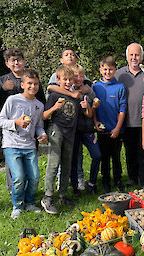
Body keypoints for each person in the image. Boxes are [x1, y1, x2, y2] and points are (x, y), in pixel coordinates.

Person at [0, 48, 46, 192]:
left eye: (19, 59)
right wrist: (2, 90)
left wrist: (42, 130)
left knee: (29, 164)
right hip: (10, 131)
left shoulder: (32, 80)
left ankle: (28, 191)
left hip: (30, 130)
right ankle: (13, 192)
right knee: (13, 166)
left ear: (24, 62)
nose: (16, 63)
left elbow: (41, 106)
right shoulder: (1, 80)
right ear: (7, 64)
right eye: (12, 60)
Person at [0, 69, 48, 219]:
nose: (33, 86)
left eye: (36, 84)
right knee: (18, 177)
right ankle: (17, 205)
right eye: (30, 83)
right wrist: (16, 122)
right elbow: (0, 121)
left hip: (29, 145)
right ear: (23, 85)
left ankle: (30, 202)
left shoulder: (39, 105)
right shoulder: (12, 100)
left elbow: (38, 125)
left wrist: (42, 135)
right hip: (12, 144)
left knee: (34, 177)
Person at [41, 65, 90, 213]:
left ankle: (63, 194)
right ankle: (48, 196)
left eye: (70, 79)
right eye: (64, 79)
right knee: (53, 164)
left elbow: (85, 113)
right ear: (58, 80)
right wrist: (54, 108)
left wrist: (87, 106)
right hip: (56, 131)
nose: (68, 82)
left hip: (71, 133)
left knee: (67, 165)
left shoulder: (75, 96)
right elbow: (43, 116)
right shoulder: (55, 96)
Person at [115, 43, 144, 189]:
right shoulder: (120, 74)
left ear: (141, 56)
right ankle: (132, 178)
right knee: (130, 152)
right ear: (127, 57)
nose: (134, 58)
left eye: (137, 55)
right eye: (131, 55)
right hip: (127, 121)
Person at [94, 55, 127, 193]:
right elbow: (93, 106)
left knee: (116, 157)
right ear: (101, 70)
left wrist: (118, 128)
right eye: (105, 69)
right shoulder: (96, 86)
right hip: (102, 130)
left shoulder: (120, 87)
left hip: (116, 129)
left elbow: (122, 109)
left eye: (111, 69)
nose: (108, 72)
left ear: (115, 70)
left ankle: (118, 181)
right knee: (104, 158)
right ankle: (106, 182)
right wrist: (95, 122)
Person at [69, 64, 101, 198]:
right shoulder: (68, 90)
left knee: (97, 155)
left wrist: (92, 106)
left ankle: (92, 183)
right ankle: (75, 187)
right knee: (74, 159)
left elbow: (93, 108)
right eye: (75, 76)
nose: (78, 78)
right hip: (74, 130)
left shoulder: (89, 89)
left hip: (87, 129)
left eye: (81, 76)